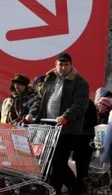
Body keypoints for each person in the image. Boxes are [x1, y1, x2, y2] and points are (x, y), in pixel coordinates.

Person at [26, 53, 89, 195]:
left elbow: (80, 104)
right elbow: (39, 98)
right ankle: (75, 187)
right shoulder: (50, 79)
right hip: (48, 127)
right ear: (56, 65)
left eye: (66, 64)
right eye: (60, 64)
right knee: (50, 160)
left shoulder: (79, 82)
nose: (63, 67)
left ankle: (54, 190)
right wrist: (32, 112)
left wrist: (66, 116)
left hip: (66, 129)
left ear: (71, 66)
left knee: (58, 161)